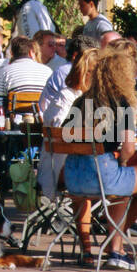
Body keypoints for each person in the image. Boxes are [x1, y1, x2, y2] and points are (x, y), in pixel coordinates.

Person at [61, 50, 137, 270]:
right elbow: (129, 150)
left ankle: (116, 248)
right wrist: (122, 161)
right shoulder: (121, 102)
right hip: (103, 176)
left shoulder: (81, 100)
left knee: (123, 184)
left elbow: (66, 137)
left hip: (73, 179)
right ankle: (116, 247)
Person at [38, 41, 98, 198]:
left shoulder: (89, 97)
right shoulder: (66, 97)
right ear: (86, 73)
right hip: (61, 169)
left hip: (82, 163)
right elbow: (61, 137)